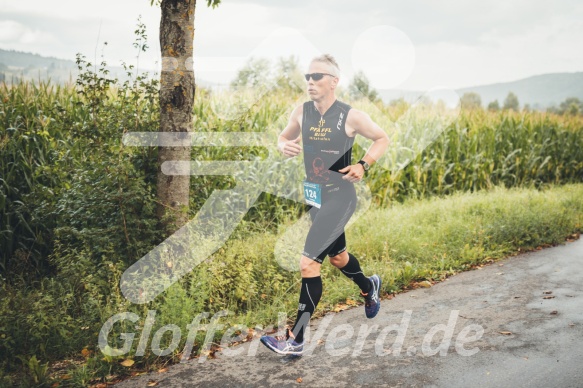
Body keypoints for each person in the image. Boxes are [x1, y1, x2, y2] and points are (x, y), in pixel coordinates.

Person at [260, 54, 390, 356]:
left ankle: (296, 338)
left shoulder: (350, 116)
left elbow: (381, 138)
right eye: (307, 76)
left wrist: (363, 164)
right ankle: (369, 286)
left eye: (317, 76)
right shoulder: (302, 112)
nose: (310, 81)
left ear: (334, 82)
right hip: (315, 197)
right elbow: (283, 135)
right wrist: (283, 144)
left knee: (308, 264)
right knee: (339, 259)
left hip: (340, 197)